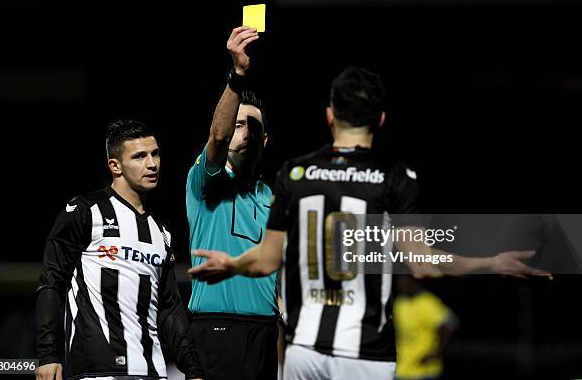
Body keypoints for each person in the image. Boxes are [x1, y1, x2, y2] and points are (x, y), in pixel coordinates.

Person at [188, 66, 550, 380]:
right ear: (380, 120)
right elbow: (422, 265)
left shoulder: (294, 175)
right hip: (365, 350)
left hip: (304, 349)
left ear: (330, 116)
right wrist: (491, 262)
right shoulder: (396, 177)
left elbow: (267, 261)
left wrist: (233, 264)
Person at [35, 120, 203, 380]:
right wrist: (48, 355)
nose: (152, 164)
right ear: (115, 166)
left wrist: (193, 370)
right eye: (139, 156)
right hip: (97, 369)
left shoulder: (162, 233)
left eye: (155, 154)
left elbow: (169, 308)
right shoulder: (85, 211)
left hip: (153, 371)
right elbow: (51, 283)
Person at [185, 26, 279, 380]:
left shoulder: (273, 197)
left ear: (265, 140)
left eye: (253, 128)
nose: (246, 134)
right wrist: (237, 76)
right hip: (218, 331)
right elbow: (218, 135)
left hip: (266, 332)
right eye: (239, 125)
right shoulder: (206, 182)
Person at [393, 275, 458, 380]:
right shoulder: (400, 302)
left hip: (423, 371)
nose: (400, 284)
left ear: (412, 280)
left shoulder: (427, 302)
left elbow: (450, 324)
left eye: (403, 280)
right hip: (401, 370)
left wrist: (436, 352)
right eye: (398, 281)